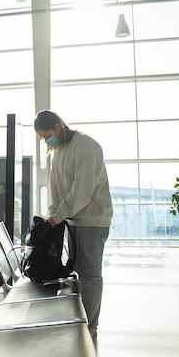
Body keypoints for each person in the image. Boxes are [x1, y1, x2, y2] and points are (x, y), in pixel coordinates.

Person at [33, 109, 113, 343]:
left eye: (47, 135)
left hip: (92, 219)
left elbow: (82, 191)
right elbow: (56, 190)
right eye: (43, 138)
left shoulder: (86, 146)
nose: (47, 141)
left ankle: (90, 327)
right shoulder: (58, 151)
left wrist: (57, 218)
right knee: (79, 269)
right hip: (73, 220)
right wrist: (53, 216)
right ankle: (81, 322)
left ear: (57, 127)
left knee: (90, 272)